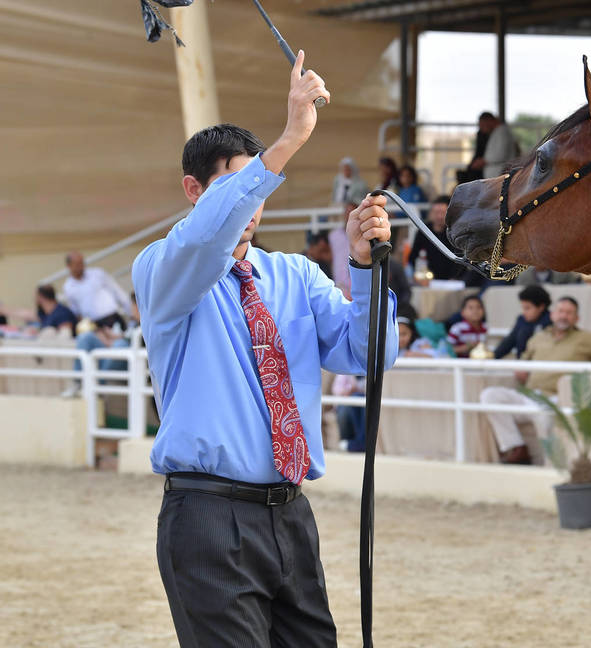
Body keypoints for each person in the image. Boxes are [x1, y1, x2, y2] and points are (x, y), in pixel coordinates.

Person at [132, 52, 398, 647]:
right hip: (205, 516)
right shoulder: (163, 268)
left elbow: (369, 355)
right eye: (236, 186)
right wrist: (288, 141)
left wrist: (364, 265)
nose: (252, 202)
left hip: (291, 516)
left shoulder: (296, 276)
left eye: (260, 187)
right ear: (192, 190)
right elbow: (207, 233)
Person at [480, 297, 591, 464]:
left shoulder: (588, 339)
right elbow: (524, 361)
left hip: (555, 398)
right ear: (553, 314)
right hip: (529, 394)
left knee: (542, 413)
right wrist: (521, 369)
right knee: (490, 395)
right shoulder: (538, 337)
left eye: (569, 313)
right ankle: (517, 449)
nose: (564, 316)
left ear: (577, 318)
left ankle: (549, 464)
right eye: (560, 311)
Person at [63, 251, 132, 331]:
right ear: (69, 266)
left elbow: (118, 293)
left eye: (82, 263)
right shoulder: (68, 287)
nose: (81, 266)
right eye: (77, 264)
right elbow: (75, 310)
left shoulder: (98, 274)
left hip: (113, 318)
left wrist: (131, 313)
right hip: (94, 325)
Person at [408, 195, 463, 281]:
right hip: (427, 279)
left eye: (442, 213)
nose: (439, 217)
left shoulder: (455, 232)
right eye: (436, 212)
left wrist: (454, 278)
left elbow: (460, 259)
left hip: (451, 280)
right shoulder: (423, 230)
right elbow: (413, 256)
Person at [493, 285, 552, 359]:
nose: (524, 312)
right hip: (522, 365)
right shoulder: (521, 320)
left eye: (527, 308)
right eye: (523, 308)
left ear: (541, 307)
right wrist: (492, 357)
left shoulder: (552, 321)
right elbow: (509, 342)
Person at [469, 112, 519, 178]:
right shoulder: (497, 131)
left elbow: (501, 154)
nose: (481, 128)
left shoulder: (502, 132)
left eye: (482, 125)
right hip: (495, 177)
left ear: (489, 121)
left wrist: (483, 161)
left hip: (500, 177)